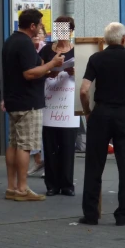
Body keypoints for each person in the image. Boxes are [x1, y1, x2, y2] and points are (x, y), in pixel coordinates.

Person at [79, 23, 125, 226]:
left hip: (102, 113)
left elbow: (83, 89)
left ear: (106, 40)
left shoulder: (96, 58)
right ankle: (123, 215)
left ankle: (90, 215)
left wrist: (88, 111)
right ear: (124, 39)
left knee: (94, 165)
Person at [3, 9, 64, 202]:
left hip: (14, 99)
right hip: (28, 101)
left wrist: (46, 72)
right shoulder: (25, 44)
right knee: (25, 145)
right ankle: (22, 188)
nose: (40, 28)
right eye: (38, 25)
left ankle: (12, 186)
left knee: (13, 143)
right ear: (32, 26)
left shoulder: (10, 41)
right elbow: (29, 73)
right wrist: (52, 64)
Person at [39, 16, 79, 196]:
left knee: (68, 144)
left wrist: (75, 72)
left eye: (64, 29)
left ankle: (67, 184)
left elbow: (87, 76)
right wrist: (50, 70)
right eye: (58, 29)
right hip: (50, 102)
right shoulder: (47, 50)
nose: (61, 33)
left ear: (70, 31)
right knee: (50, 144)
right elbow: (39, 71)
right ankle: (52, 184)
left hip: (69, 105)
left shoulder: (77, 51)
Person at [28, 22, 47, 178]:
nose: (36, 37)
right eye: (34, 34)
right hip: (32, 95)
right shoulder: (27, 49)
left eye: (38, 34)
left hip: (49, 94)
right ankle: (38, 160)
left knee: (45, 131)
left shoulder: (46, 50)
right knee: (35, 131)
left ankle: (48, 162)